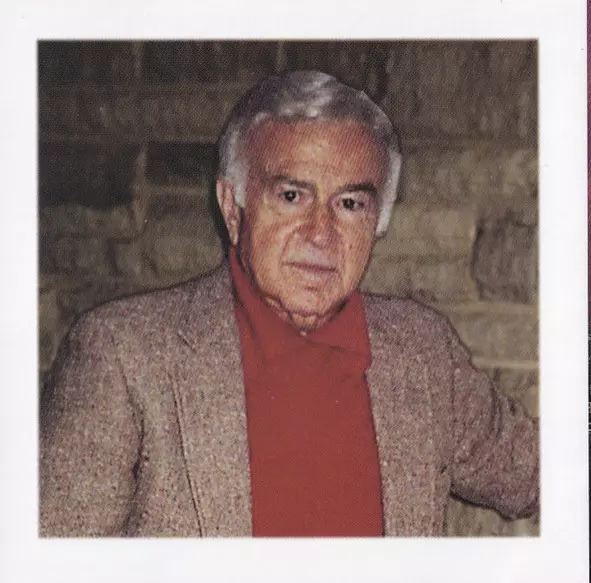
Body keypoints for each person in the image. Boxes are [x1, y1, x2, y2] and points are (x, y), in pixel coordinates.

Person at [39, 70, 539, 537]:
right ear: (232, 208)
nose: (320, 234)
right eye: (292, 196)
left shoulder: (424, 349)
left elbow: (538, 474)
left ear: (378, 223)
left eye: (350, 204)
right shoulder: (122, 355)